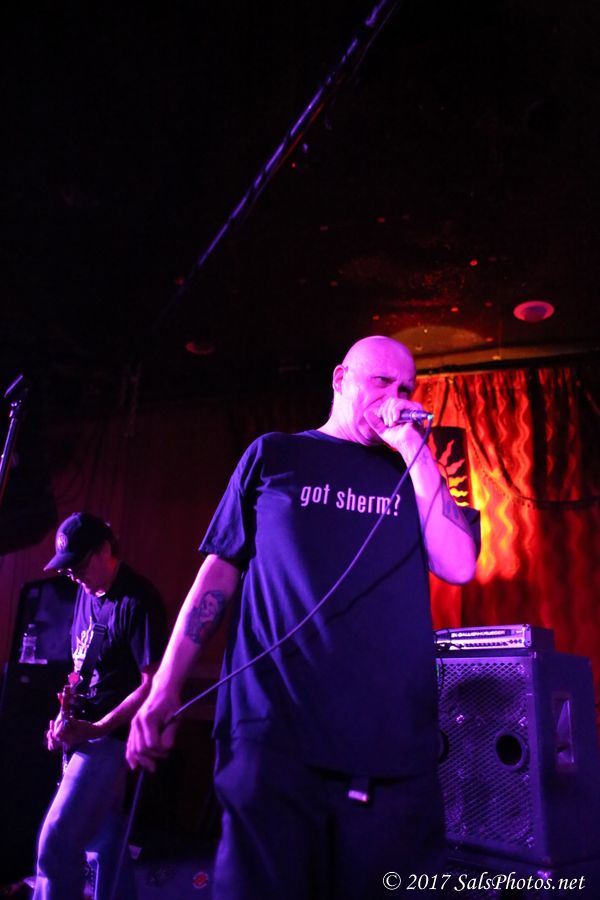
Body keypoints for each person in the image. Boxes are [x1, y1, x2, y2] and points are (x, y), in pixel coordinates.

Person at [127, 336, 478, 899]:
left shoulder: (414, 475)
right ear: (340, 379)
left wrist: (415, 448)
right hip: (274, 739)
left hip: (390, 751)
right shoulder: (275, 456)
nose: (396, 396)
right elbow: (216, 578)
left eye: (407, 388)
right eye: (381, 381)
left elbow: (458, 565)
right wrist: (165, 688)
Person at [34, 512, 167, 900]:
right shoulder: (86, 593)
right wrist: (62, 719)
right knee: (107, 846)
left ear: (105, 550)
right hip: (86, 734)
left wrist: (98, 728)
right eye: (68, 570)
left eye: (79, 565)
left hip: (112, 739)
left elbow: (153, 685)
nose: (74, 576)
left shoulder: (138, 600)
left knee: (56, 843)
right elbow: (81, 671)